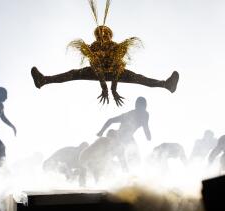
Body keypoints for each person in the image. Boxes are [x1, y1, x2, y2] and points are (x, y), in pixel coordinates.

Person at [31, 1, 179, 106]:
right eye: (100, 35)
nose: (103, 36)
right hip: (97, 73)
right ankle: (42, 80)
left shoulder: (116, 47)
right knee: (73, 73)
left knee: (139, 78)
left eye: (106, 34)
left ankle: (167, 85)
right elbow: (95, 64)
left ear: (110, 35)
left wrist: (113, 89)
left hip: (116, 73)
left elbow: (117, 66)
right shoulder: (93, 47)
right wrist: (103, 86)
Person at [97, 96, 151, 170]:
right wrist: (101, 131)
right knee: (129, 159)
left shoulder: (140, 114)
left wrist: (101, 132)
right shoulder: (141, 114)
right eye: (139, 108)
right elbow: (110, 120)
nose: (140, 111)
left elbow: (110, 120)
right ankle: (119, 167)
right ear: (137, 106)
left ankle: (125, 170)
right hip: (121, 137)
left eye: (141, 108)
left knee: (134, 159)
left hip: (125, 137)